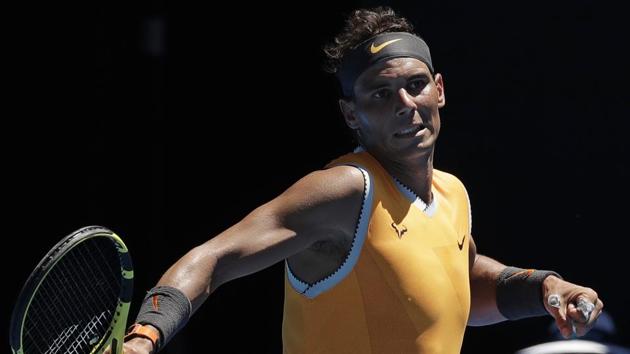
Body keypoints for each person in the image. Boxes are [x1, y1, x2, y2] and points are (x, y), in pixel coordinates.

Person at [107, 6, 604, 354]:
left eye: (414, 85)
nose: (405, 104)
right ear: (351, 113)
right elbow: (214, 259)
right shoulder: (346, 190)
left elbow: (461, 289)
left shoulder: (452, 194)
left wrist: (545, 289)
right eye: (380, 94)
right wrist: (144, 338)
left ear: (440, 90)